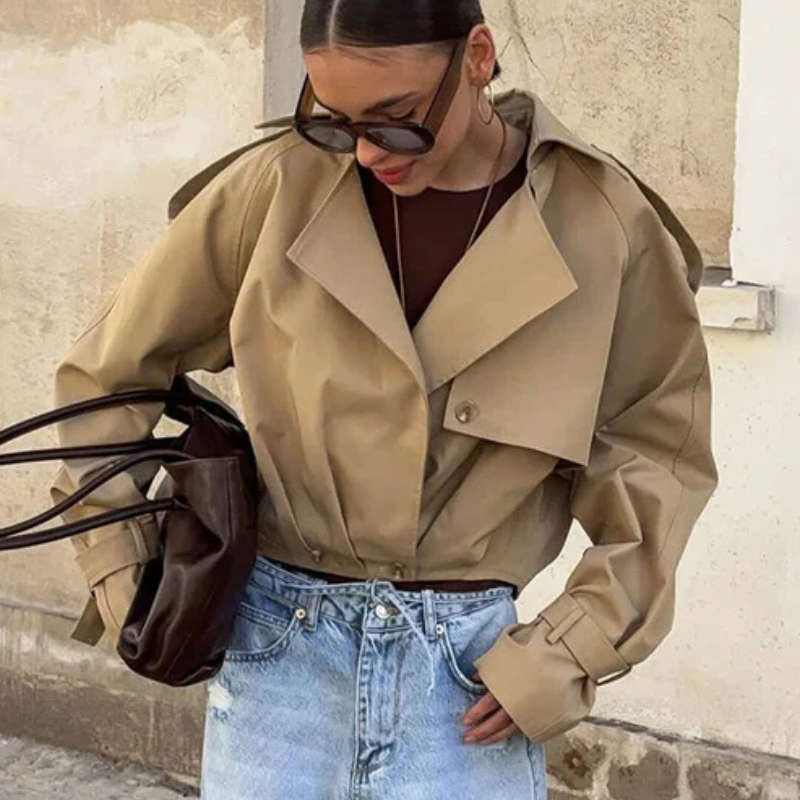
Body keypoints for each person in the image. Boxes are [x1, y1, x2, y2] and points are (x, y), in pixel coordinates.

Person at [48, 1, 718, 798]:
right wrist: (124, 569)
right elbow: (109, 372)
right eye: (333, 121)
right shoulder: (276, 188)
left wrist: (567, 650)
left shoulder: (601, 222)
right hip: (278, 657)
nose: (366, 152)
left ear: (477, 57)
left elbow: (658, 454)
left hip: (470, 681)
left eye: (397, 119)